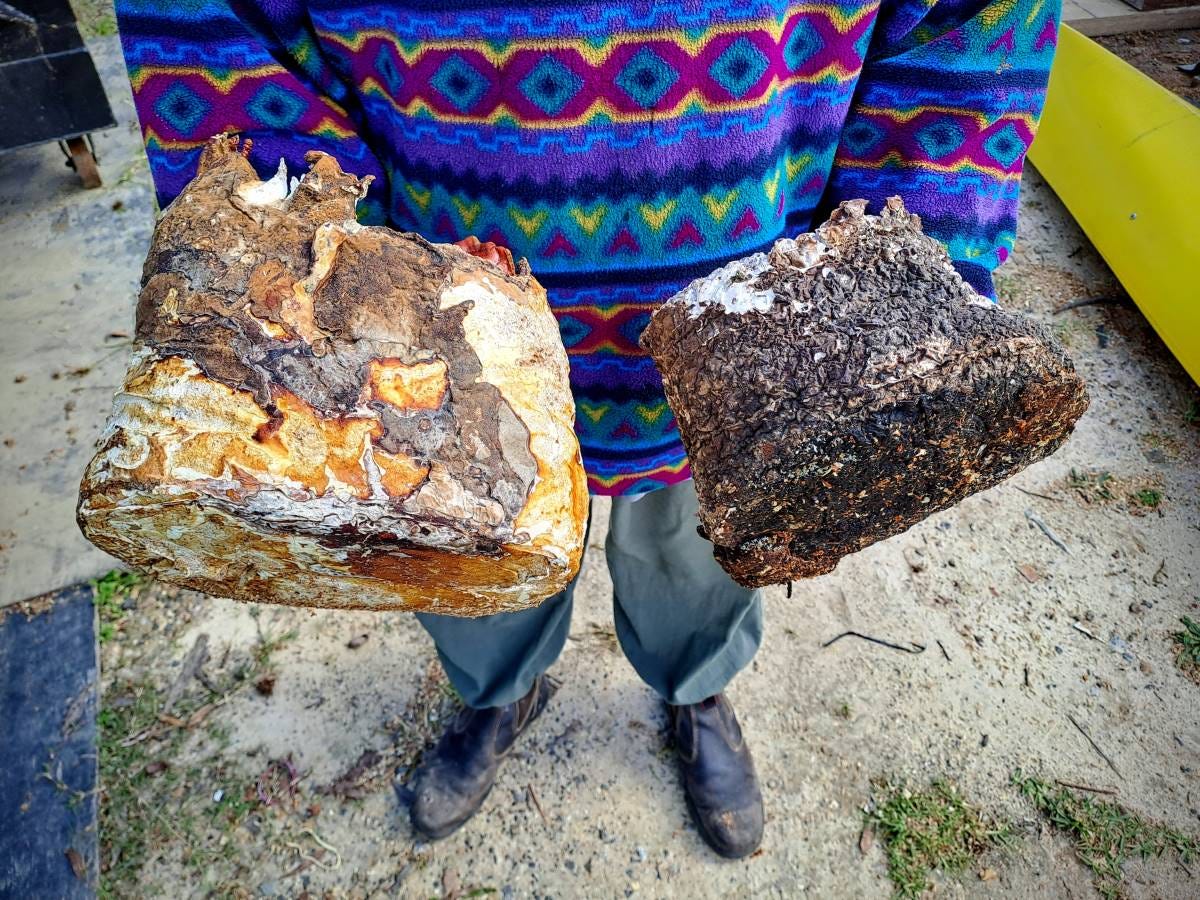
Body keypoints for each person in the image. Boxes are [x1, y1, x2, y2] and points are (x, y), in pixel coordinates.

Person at [115, 0, 1060, 858]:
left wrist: (909, 267)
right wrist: (306, 256)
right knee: (465, 545)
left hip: (746, 336)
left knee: (696, 549)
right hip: (435, 333)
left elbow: (966, 20)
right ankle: (501, 689)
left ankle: (693, 683)